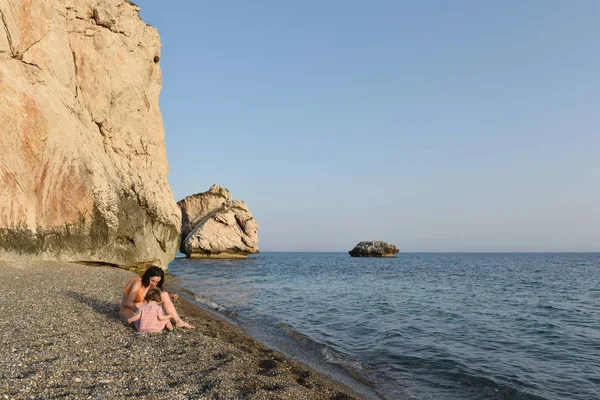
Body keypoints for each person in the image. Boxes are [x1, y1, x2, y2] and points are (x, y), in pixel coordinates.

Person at [119, 266, 195, 329]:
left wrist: (170, 296)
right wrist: (141, 312)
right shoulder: (137, 282)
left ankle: (178, 321)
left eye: (157, 282)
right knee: (145, 321)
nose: (154, 283)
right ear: (148, 276)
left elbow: (154, 296)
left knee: (164, 294)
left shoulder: (151, 286)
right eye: (152, 280)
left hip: (143, 307)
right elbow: (128, 303)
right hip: (129, 310)